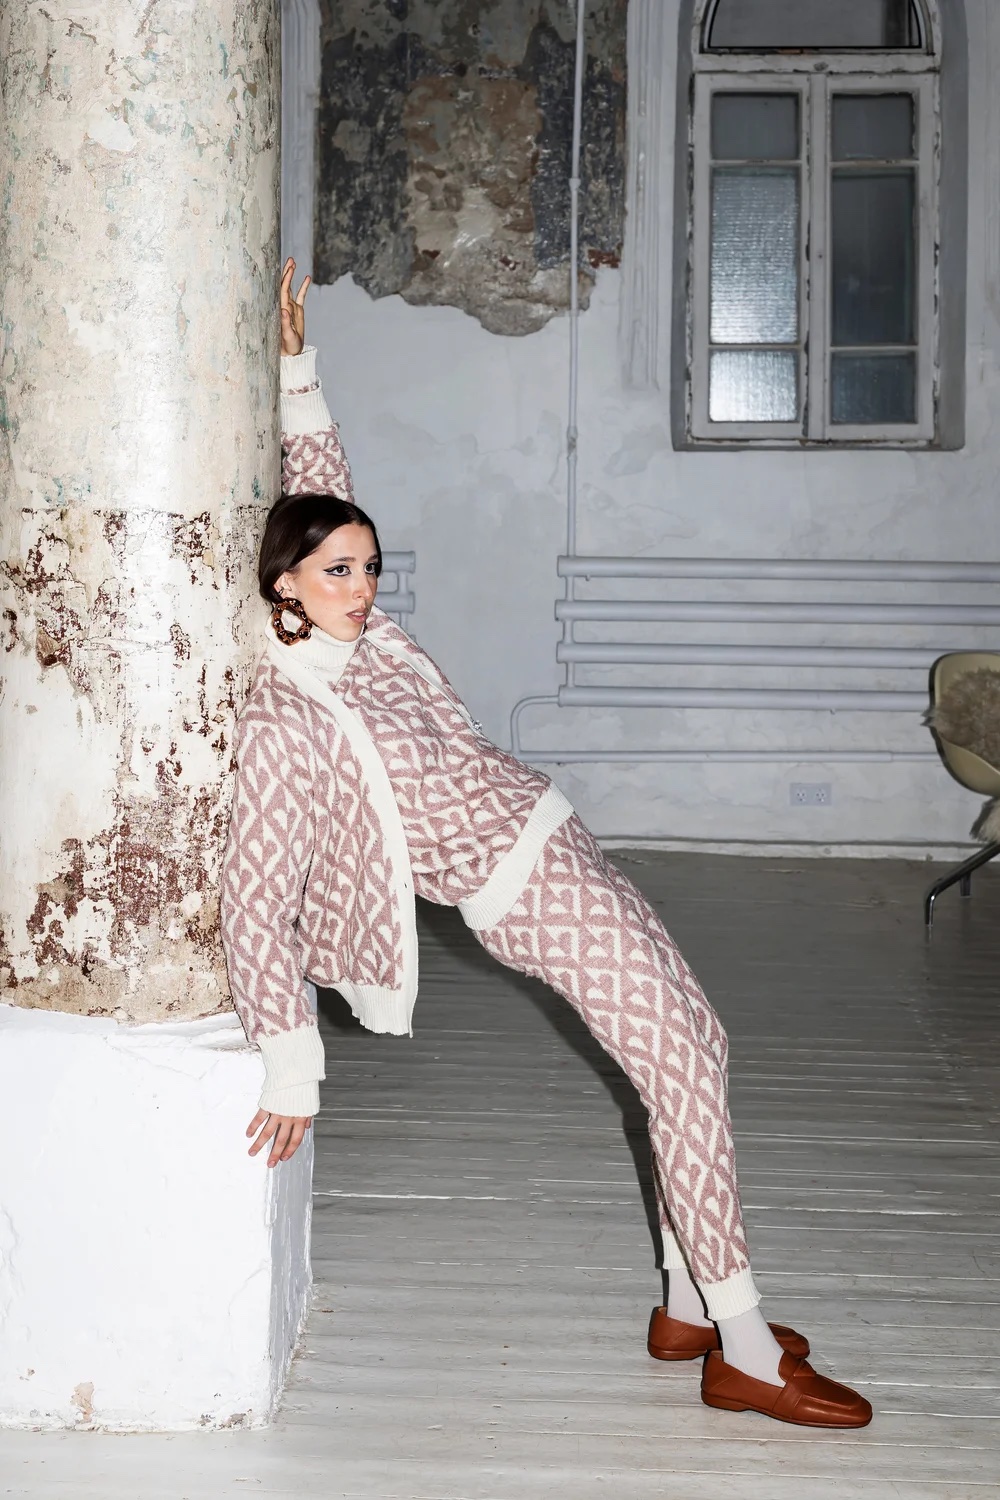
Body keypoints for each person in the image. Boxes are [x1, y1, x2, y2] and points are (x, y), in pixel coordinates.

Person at [219, 260, 872, 1430]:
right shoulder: (288, 715)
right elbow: (255, 896)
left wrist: (296, 364)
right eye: (338, 572)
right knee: (685, 1065)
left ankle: (685, 1305)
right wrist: (288, 1061)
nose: (363, 587)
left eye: (368, 566)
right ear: (284, 585)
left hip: (551, 840)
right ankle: (744, 1346)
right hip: (520, 892)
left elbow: (319, 488)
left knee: (694, 1046)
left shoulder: (356, 639)